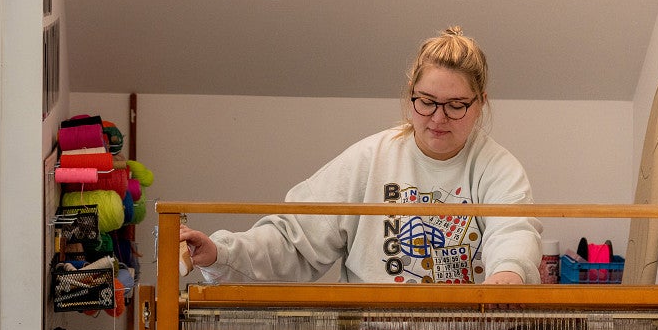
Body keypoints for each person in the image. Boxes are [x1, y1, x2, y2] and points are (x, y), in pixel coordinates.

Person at [180, 26, 542, 284]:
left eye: (456, 106)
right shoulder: (370, 160)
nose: (437, 117)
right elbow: (295, 239)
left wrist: (508, 272)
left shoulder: (497, 168)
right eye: (426, 102)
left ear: (479, 106)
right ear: (410, 96)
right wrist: (221, 252)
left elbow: (512, 231)